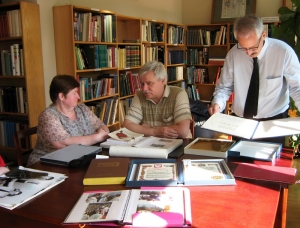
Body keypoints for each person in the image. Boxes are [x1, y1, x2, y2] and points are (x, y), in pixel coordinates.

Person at [208, 15, 300, 143]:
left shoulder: (284, 52)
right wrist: (217, 103)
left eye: (253, 48)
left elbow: (297, 88)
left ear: (263, 35)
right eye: (243, 47)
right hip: (239, 122)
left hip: (273, 123)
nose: (248, 53)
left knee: (267, 162)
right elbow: (224, 87)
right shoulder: (234, 54)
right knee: (238, 161)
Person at [27, 75, 109, 166]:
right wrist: (97, 137)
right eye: (74, 93)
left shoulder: (82, 108)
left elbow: (101, 125)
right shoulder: (48, 116)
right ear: (62, 96)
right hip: (48, 165)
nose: (78, 97)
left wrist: (103, 131)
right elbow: (65, 144)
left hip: (78, 159)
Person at [122, 61, 192, 139]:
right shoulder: (139, 96)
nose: (144, 89)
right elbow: (127, 126)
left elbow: (182, 131)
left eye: (149, 83)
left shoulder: (178, 94)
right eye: (142, 84)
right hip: (150, 146)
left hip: (178, 145)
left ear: (162, 81)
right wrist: (155, 132)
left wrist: (144, 129)